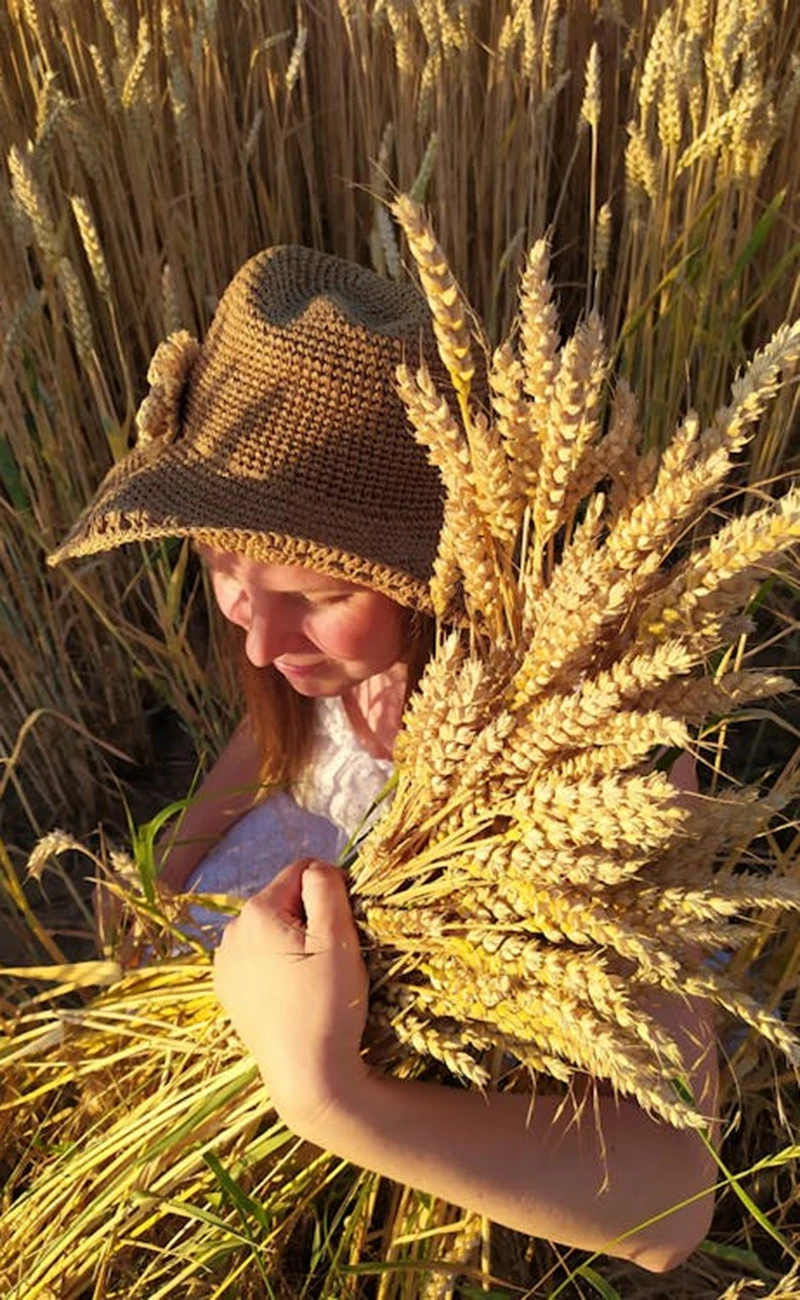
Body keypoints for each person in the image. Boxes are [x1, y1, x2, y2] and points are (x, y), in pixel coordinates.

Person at [51, 245, 718, 1272]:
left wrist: (329, 1098)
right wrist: (166, 873)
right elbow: (269, 739)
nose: (258, 645)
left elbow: (672, 1202)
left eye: (317, 596)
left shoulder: (595, 735)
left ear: (451, 567)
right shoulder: (317, 657)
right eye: (224, 567)